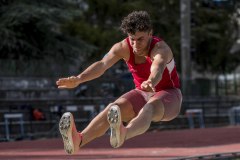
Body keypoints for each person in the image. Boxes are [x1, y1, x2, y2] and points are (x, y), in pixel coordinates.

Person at [56, 10, 182, 154]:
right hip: (142, 92)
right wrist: (79, 79)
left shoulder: (161, 49)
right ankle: (79, 140)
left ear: (150, 33)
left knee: (149, 108)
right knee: (113, 108)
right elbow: (102, 64)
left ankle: (124, 133)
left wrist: (151, 81)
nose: (135, 45)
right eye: (132, 39)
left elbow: (157, 68)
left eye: (140, 39)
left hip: (169, 94)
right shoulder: (123, 47)